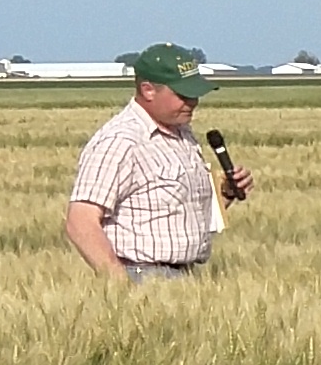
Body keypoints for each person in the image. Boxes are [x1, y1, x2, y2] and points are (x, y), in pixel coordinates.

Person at [63, 44, 234, 280]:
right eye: (183, 95)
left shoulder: (182, 133)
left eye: (195, 94)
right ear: (148, 90)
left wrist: (224, 195)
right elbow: (80, 220)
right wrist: (120, 284)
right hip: (143, 277)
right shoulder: (121, 142)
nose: (193, 102)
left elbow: (174, 210)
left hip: (188, 278)